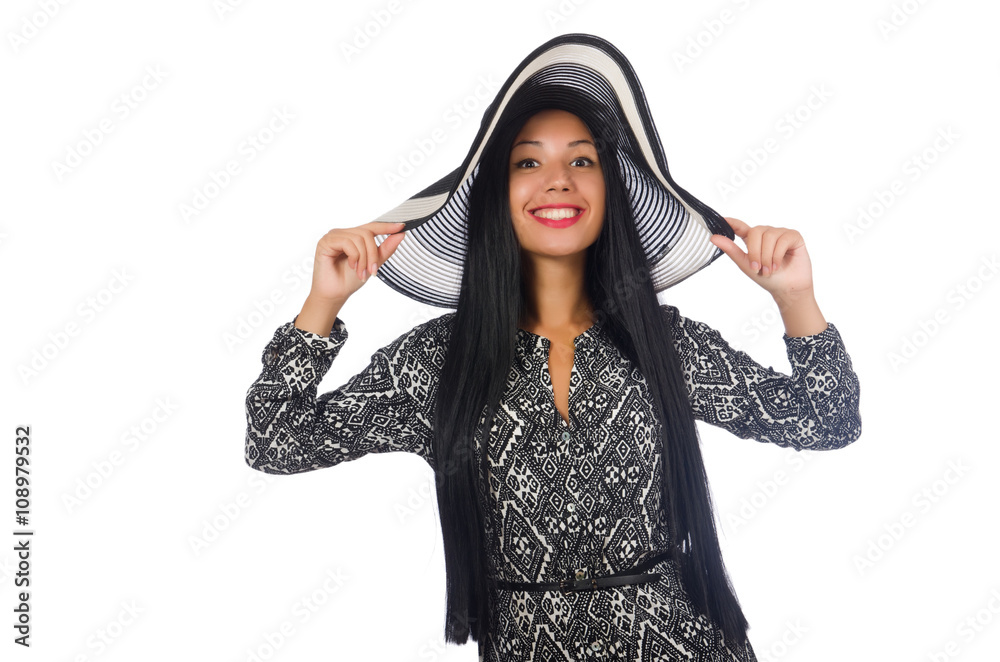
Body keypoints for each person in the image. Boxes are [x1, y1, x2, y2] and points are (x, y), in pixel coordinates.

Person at [244, 34, 861, 662]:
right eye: (528, 163)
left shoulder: (663, 343)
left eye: (582, 161)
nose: (559, 181)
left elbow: (828, 421)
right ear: (496, 193)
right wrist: (323, 303)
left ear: (611, 190)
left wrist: (795, 298)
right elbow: (275, 441)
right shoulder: (436, 362)